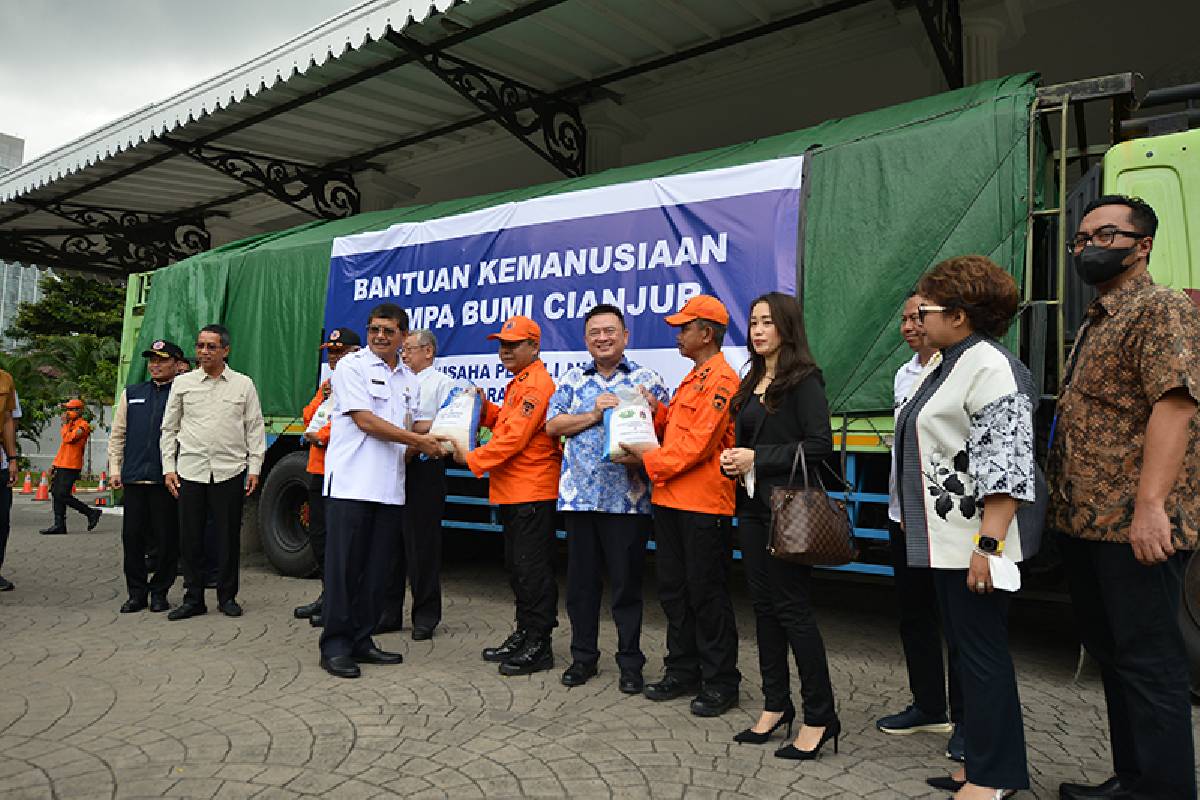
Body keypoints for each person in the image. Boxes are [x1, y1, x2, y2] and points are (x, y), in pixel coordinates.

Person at [1049, 196, 1197, 800]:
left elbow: (1176, 403)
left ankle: (1164, 791)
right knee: (1114, 655)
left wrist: (1150, 507)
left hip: (1131, 524)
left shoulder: (1160, 308)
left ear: (1143, 245)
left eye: (1105, 234)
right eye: (1081, 239)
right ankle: (1132, 780)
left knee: (1150, 661)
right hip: (1086, 523)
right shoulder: (1099, 316)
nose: (1089, 246)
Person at [894, 256, 1044, 798]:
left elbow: (1006, 469)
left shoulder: (990, 366)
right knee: (967, 654)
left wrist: (988, 545)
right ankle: (974, 764)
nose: (917, 320)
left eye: (926, 311)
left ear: (958, 315)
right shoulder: (951, 361)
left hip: (975, 544)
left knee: (982, 659)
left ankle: (995, 777)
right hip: (946, 545)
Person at [720, 292, 840, 759]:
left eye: (767, 322)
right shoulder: (752, 378)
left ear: (787, 328)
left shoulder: (804, 381)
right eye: (753, 322)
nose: (758, 330)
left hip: (788, 511)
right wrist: (737, 459)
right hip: (751, 508)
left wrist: (758, 457)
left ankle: (819, 716)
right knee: (764, 610)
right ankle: (775, 706)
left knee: (793, 611)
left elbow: (820, 446)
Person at [614, 294, 741, 718]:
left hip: (704, 505)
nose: (678, 334)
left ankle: (721, 681)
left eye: (684, 327)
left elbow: (698, 445)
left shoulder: (722, 380)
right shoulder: (694, 377)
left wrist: (644, 460)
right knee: (674, 591)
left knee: (707, 595)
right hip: (670, 500)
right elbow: (679, 430)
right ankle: (683, 669)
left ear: (706, 333)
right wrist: (659, 412)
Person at [318, 304, 446, 679]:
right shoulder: (351, 367)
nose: (380, 336)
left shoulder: (409, 380)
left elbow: (408, 430)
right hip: (352, 486)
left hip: (390, 489)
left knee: (377, 574)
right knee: (345, 572)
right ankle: (336, 646)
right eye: (375, 329)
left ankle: (362, 639)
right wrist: (420, 443)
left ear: (403, 336)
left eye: (389, 331)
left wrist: (443, 437)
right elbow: (366, 422)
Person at [545, 304, 667, 692]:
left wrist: (653, 410)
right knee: (581, 586)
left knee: (627, 586)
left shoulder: (648, 380)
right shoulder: (571, 380)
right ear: (586, 339)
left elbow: (664, 430)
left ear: (625, 336)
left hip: (628, 501)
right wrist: (593, 414)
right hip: (580, 500)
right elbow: (552, 425)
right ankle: (583, 658)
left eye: (610, 331)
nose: (603, 338)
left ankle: (631, 663)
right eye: (595, 332)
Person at [876, 292, 964, 761]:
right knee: (915, 616)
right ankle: (929, 705)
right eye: (905, 317)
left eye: (919, 316)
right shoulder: (904, 373)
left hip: (946, 520)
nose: (910, 325)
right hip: (902, 515)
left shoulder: (959, 367)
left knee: (959, 623)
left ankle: (969, 723)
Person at [450, 315, 562, 677]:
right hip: (515, 491)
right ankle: (524, 633)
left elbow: (514, 438)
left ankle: (539, 644)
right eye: (502, 344)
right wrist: (484, 409)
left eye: (513, 345)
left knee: (531, 570)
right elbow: (506, 424)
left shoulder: (535, 385)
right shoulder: (520, 383)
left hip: (531, 490)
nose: (505, 350)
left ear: (534, 347)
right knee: (518, 568)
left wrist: (471, 458)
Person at [160, 324, 266, 621]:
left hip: (229, 471)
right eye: (200, 346)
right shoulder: (183, 384)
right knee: (190, 537)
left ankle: (227, 596)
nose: (204, 352)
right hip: (190, 471)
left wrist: (254, 467)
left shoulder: (243, 385)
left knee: (227, 537)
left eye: (211, 347)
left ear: (225, 351)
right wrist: (169, 467)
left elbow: (254, 428)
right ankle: (193, 598)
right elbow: (169, 428)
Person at [378, 328, 458, 640]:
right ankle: (387, 612)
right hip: (394, 467)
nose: (404, 354)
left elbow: (440, 424)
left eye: (410, 349)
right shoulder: (396, 381)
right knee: (391, 543)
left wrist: (414, 434)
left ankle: (426, 615)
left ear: (428, 352)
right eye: (404, 349)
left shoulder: (443, 383)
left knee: (422, 546)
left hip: (425, 470)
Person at [108, 339, 189, 613]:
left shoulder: (183, 395)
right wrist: (115, 469)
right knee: (132, 538)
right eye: (152, 360)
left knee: (166, 540)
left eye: (162, 360)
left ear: (178, 365)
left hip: (164, 480)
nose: (155, 365)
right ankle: (136, 594)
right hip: (133, 479)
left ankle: (160, 592)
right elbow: (118, 434)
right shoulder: (132, 393)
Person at [293, 327, 361, 627]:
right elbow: (308, 415)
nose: (333, 356)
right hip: (318, 469)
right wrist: (324, 395)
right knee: (319, 536)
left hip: (342, 470)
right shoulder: (329, 384)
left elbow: (352, 421)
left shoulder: (357, 381)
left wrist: (322, 436)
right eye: (330, 352)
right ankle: (326, 594)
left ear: (355, 352)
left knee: (339, 540)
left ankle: (341, 601)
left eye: (339, 351)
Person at [40, 398, 102, 536]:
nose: (67, 413)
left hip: (72, 466)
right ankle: (59, 525)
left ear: (79, 411)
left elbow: (69, 438)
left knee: (62, 494)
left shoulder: (83, 426)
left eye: (71, 409)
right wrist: (54, 465)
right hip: (62, 464)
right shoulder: (70, 424)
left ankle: (90, 512)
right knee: (56, 493)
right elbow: (63, 448)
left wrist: (64, 424)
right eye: (67, 409)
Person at [0, 371, 19, 590]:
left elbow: (7, 420)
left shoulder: (5, 380)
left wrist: (12, 458)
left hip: (1, 464)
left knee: (2, 520)